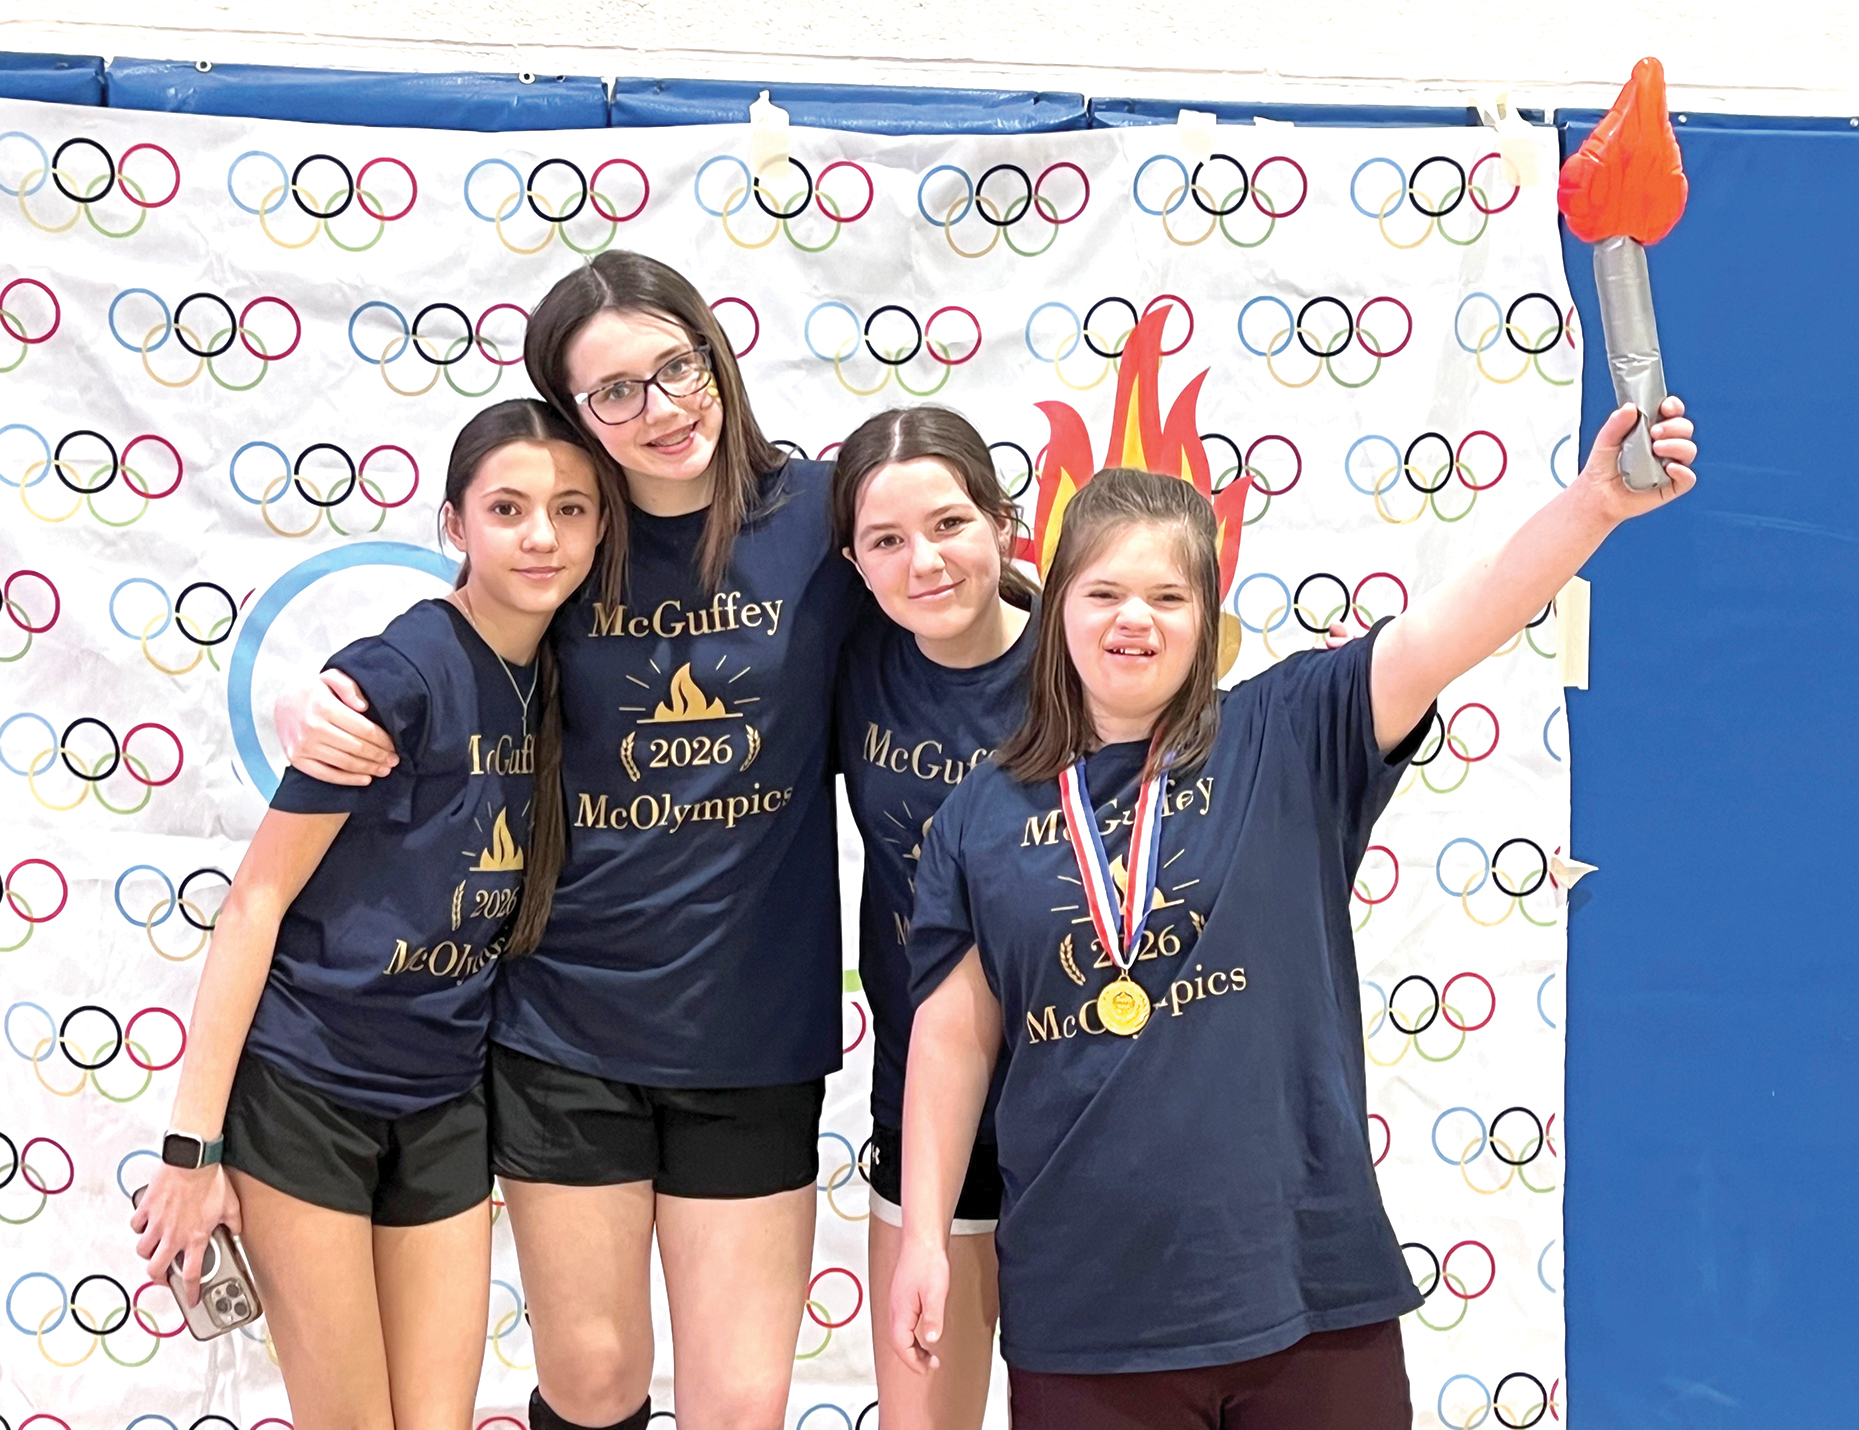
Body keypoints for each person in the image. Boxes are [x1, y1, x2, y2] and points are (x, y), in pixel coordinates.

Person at [891, 400, 1698, 1427]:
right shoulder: (980, 814)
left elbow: (1462, 615)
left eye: (1166, 596)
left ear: (1206, 619)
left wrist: (1593, 507)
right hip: (1084, 1308)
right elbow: (952, 1041)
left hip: (1305, 1292)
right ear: (1057, 611)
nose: (1133, 619)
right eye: (1102, 593)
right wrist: (922, 1239)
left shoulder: (1290, 731)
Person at [273, 251, 864, 1430]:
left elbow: (958, 612)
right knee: (592, 1379)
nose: (661, 407)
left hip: (751, 1027)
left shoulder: (820, 515)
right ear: (574, 412)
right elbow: (440, 648)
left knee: (740, 1402)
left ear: (714, 352)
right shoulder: (570, 536)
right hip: (565, 1026)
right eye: (615, 392)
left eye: (675, 367)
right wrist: (316, 695)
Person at [129, 400, 603, 1430]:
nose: (541, 535)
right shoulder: (399, 675)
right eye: (508, 508)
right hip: (308, 1093)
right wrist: (190, 1152)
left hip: (446, 1099)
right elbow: (255, 901)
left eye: (570, 508)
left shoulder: (571, 675)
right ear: (454, 523)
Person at [831, 407, 1038, 1426]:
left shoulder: (1086, 657)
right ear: (853, 563)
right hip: (925, 1110)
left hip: (1086, 1108)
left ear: (1003, 522)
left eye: (949, 523)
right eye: (886, 540)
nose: (924, 561)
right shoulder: (851, 664)